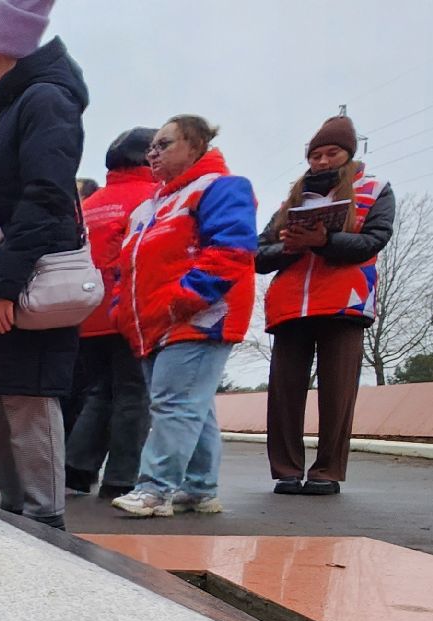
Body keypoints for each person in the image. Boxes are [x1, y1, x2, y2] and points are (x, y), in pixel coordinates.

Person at [0, 1, 86, 530]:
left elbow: (46, 196)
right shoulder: (17, 107)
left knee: (27, 397)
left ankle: (45, 519)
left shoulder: (46, 102)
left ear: (1, 54)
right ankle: (17, 515)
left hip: (25, 282)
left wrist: (7, 284)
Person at [110, 115, 257, 518]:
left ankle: (156, 489)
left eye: (164, 144)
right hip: (154, 321)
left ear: (196, 146)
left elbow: (232, 251)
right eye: (151, 147)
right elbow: (125, 268)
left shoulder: (221, 188)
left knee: (174, 404)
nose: (152, 153)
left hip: (198, 318)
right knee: (194, 404)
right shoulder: (148, 207)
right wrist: (121, 309)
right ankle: (198, 488)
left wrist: (184, 299)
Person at [258, 114, 396, 496]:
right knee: (284, 392)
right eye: (315, 155)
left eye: (331, 153)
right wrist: (289, 247)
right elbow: (256, 254)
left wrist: (324, 241)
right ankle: (286, 469)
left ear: (349, 153)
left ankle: (328, 471)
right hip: (290, 307)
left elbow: (373, 241)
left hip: (344, 303)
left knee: (338, 392)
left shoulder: (375, 189)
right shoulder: (292, 198)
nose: (321, 161)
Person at [63, 127, 158, 500]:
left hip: (88, 314)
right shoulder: (150, 198)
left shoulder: (90, 204)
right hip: (129, 309)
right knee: (134, 393)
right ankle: (122, 477)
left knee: (100, 391)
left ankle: (78, 468)